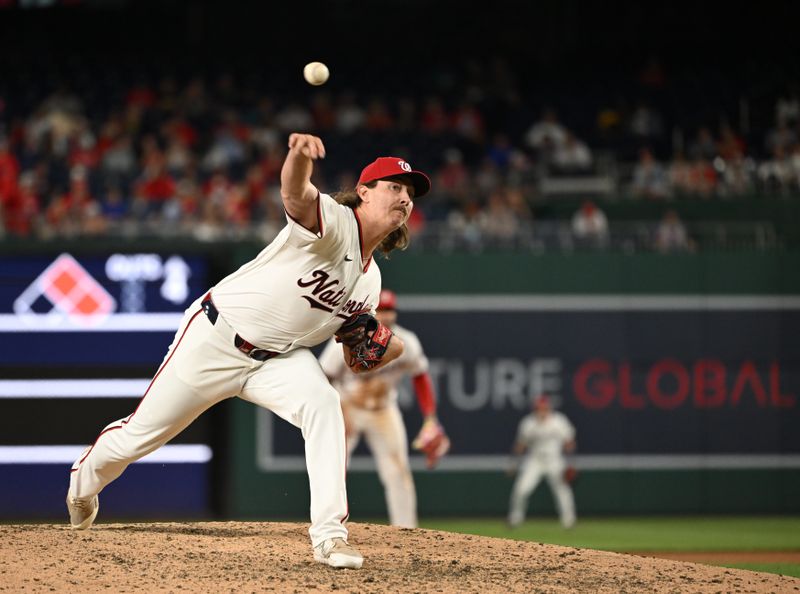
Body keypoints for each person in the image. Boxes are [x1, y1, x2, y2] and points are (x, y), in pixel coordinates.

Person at [66, 132, 432, 570]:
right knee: (137, 438)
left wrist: (382, 351)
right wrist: (298, 156)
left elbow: (355, 358)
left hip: (278, 360)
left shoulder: (370, 285)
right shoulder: (335, 222)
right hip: (217, 338)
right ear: (364, 192)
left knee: (323, 404)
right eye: (394, 187)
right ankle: (81, 487)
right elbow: (295, 193)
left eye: (410, 193)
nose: (405, 198)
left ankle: (330, 537)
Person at [318, 288, 450, 529]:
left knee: (398, 471)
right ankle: (328, 525)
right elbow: (323, 377)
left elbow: (420, 375)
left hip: (383, 410)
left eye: (390, 310)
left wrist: (430, 417)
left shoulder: (406, 342)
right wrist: (332, 410)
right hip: (348, 407)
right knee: (335, 468)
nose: (386, 315)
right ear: (371, 310)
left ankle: (406, 530)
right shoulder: (348, 340)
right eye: (381, 309)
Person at [507, 394, 577, 529]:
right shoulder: (528, 423)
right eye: (539, 407)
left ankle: (569, 520)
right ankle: (515, 519)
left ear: (548, 407)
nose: (542, 410)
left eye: (544, 407)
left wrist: (571, 463)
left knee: (563, 491)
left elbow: (569, 443)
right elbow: (520, 445)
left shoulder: (559, 421)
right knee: (521, 489)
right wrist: (514, 463)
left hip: (554, 459)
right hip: (535, 460)